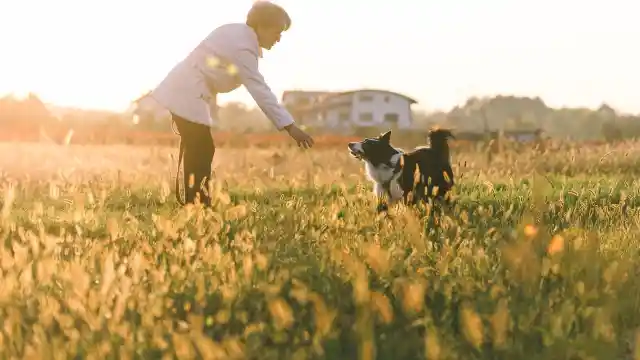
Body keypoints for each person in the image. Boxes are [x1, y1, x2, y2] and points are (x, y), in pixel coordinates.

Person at [149, 1, 315, 207]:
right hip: (186, 93)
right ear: (261, 26)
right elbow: (260, 90)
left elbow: (212, 71)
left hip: (188, 92)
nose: (278, 38)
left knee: (200, 148)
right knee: (201, 148)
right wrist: (291, 127)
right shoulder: (243, 47)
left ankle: (197, 203)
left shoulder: (237, 34)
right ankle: (198, 204)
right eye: (277, 31)